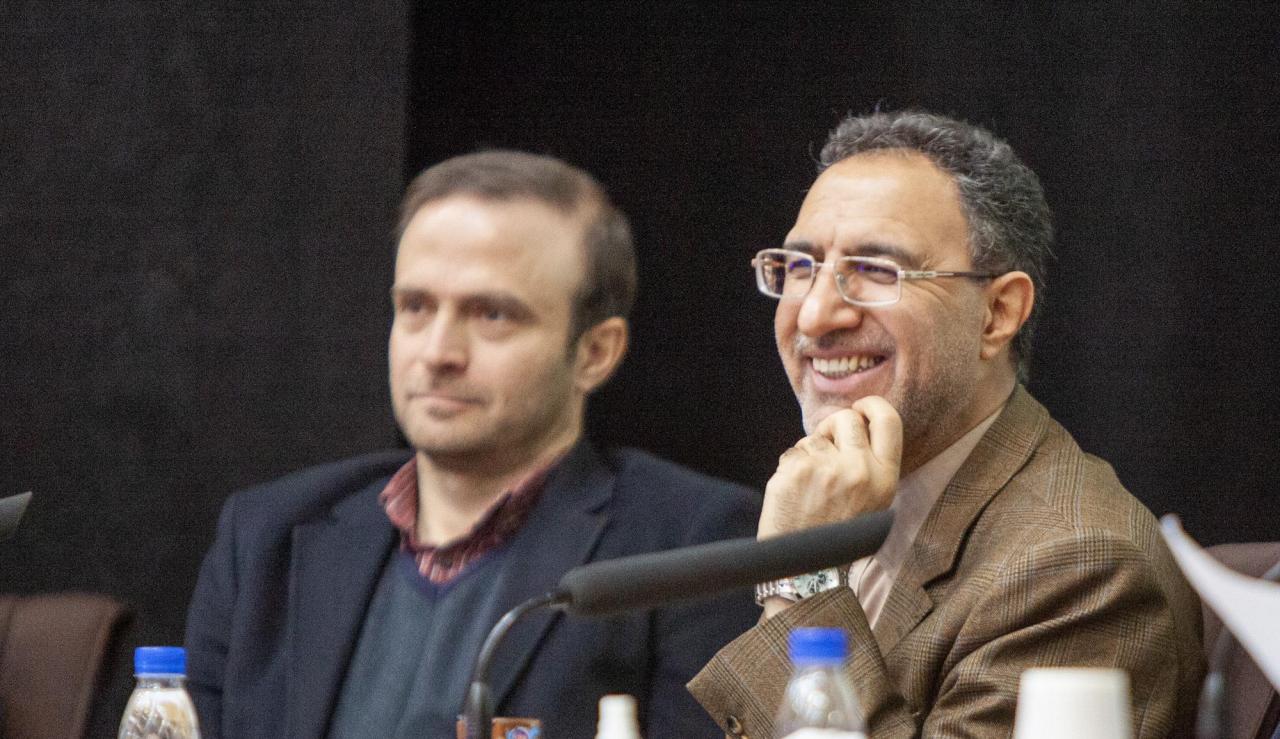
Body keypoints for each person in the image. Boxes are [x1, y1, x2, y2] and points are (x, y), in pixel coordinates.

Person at [184, 150, 761, 738]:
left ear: (595, 353)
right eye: (415, 307)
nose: (438, 352)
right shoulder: (265, 536)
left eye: (492, 315)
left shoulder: (694, 547)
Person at [687, 110, 1203, 738]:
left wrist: (800, 582)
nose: (816, 315)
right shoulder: (849, 503)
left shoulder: (1080, 565)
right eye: (800, 267)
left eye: (876, 269)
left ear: (997, 313)